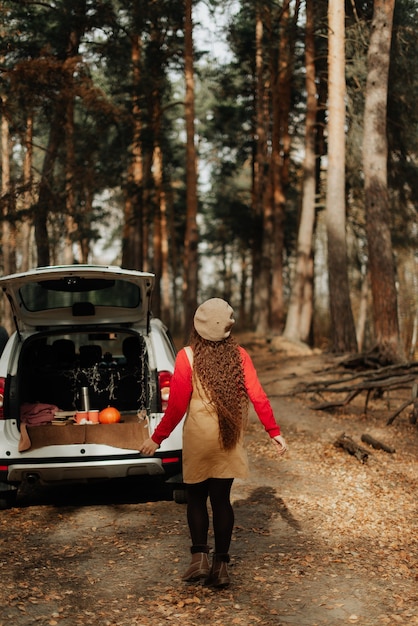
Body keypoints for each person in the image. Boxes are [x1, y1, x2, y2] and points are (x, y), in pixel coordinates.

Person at [139, 298, 287, 588]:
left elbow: (178, 406)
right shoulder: (240, 356)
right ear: (228, 329)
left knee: (195, 499)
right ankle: (220, 565)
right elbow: (258, 396)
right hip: (228, 441)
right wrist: (274, 431)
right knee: (221, 501)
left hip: (198, 440)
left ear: (198, 326)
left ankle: (199, 559)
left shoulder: (187, 356)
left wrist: (157, 438)